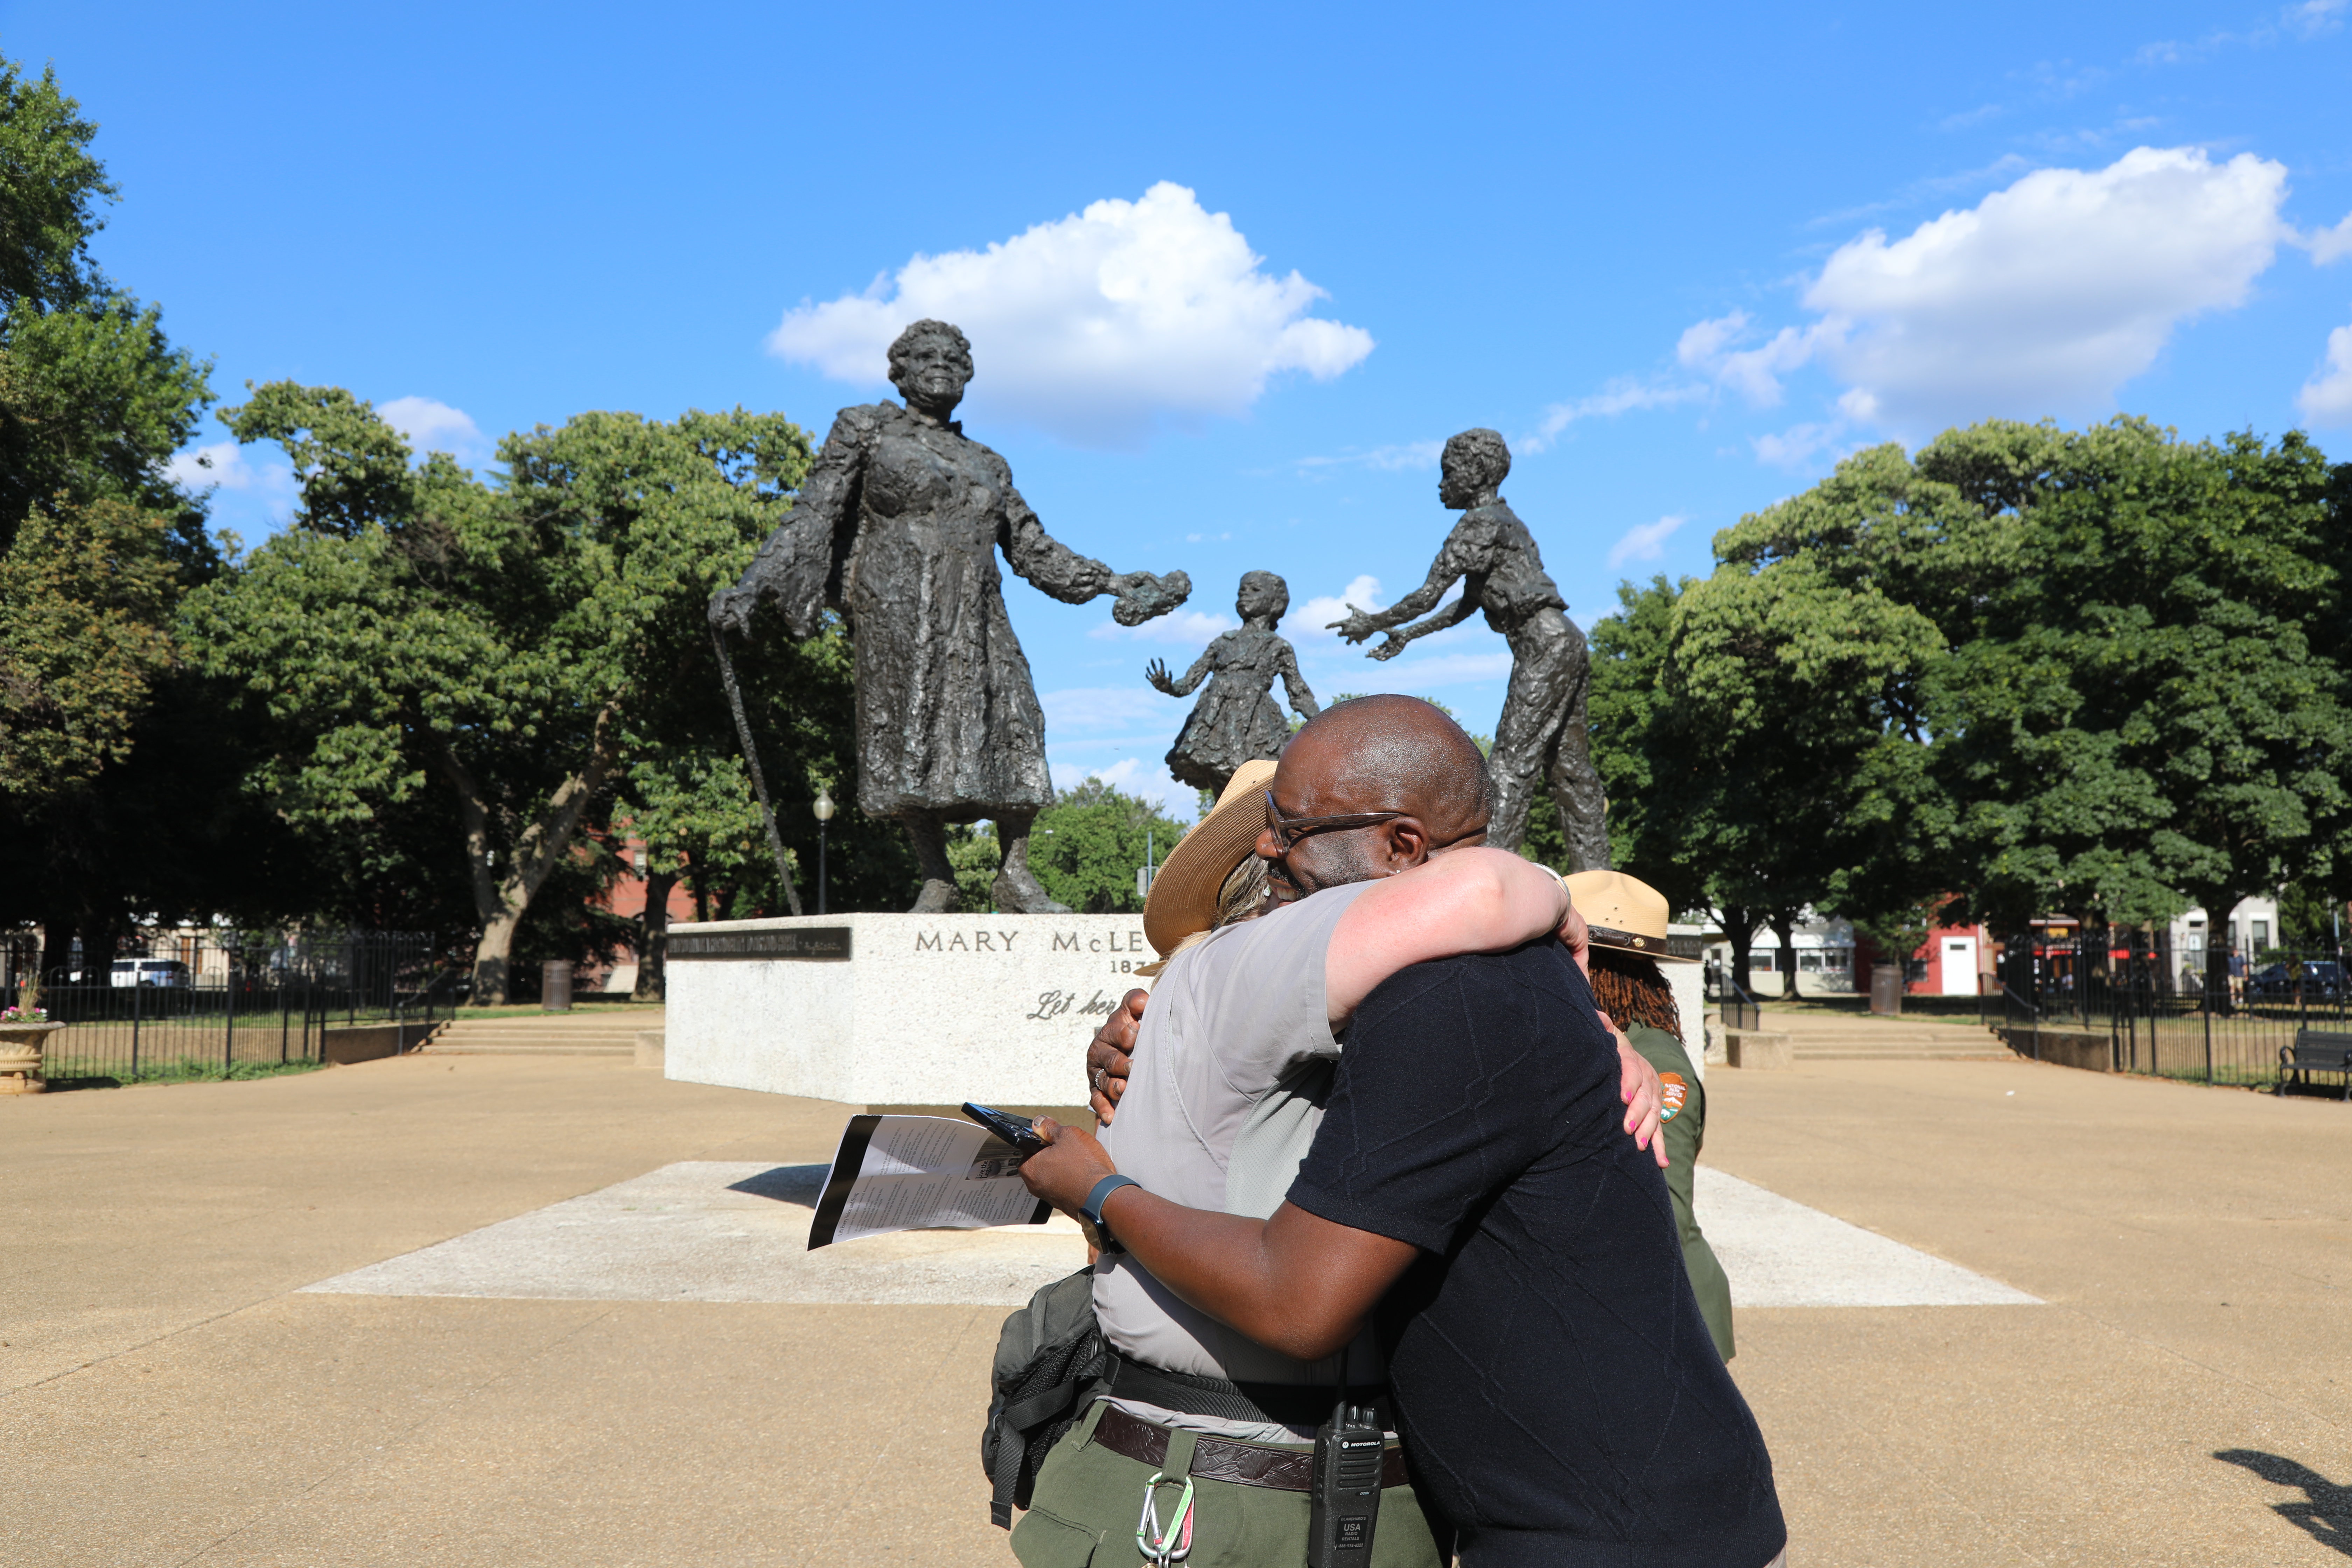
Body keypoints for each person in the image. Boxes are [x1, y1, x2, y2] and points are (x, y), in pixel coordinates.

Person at [1023, 714, 1789, 1566]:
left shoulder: (1452, 993)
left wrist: (1097, 1189)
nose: (1274, 856)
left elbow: (1297, 1299)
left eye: (1291, 832)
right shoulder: (1412, 990)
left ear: (1402, 850)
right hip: (1583, 1510)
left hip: (1607, 1529)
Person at [708, 318, 1191, 913]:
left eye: (955, 359)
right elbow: (813, 514)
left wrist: (1113, 582)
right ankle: (937, 875)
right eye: (927, 356)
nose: (943, 366)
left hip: (978, 612)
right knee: (908, 742)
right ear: (900, 371)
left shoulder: (987, 462)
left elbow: (1033, 549)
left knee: (1016, 724)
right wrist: (754, 586)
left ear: (968, 375)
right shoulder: (866, 429)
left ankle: (1014, 874)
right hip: (898, 613)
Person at [1326, 428, 1607, 870]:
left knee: (1511, 765)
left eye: (1448, 474)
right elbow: (1467, 604)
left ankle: (1489, 879)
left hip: (1546, 646)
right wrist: (1408, 635)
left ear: (1475, 473)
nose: (1441, 486)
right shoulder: (1504, 522)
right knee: (1570, 770)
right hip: (1563, 640)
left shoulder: (1479, 524)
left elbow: (1428, 595)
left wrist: (1373, 621)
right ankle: (1599, 879)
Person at [1566, 869, 1736, 1362]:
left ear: (1592, 965)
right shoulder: (1606, 1045)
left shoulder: (1657, 1065)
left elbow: (1666, 1211)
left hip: (1667, 1316)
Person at [1147, 571, 1321, 797]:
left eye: (1255, 590)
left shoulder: (1279, 646)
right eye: (1242, 591)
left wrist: (1326, 725)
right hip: (1215, 724)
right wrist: (1167, 685)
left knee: (1260, 787)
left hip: (1256, 726)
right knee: (1224, 791)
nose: (1244, 595)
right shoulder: (1222, 642)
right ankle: (1227, 830)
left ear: (1275, 602)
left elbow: (1299, 693)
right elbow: (1188, 683)